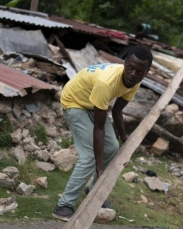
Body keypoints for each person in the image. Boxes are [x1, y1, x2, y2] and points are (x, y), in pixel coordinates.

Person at [52, 45, 153, 222]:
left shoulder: (134, 82)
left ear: (146, 72)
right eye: (130, 68)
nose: (133, 74)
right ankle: (63, 206)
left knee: (112, 147)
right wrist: (99, 167)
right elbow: (98, 128)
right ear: (124, 63)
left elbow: (117, 111)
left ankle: (93, 190)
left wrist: (123, 137)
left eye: (139, 71)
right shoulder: (106, 82)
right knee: (89, 156)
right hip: (75, 102)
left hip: (95, 104)